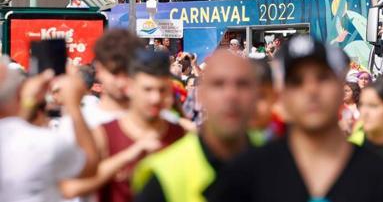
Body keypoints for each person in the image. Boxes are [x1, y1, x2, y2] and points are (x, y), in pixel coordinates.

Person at [216, 36, 383, 202]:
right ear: (281, 96)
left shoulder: (378, 175)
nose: (311, 91)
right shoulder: (246, 174)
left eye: (322, 78)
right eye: (297, 81)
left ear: (341, 88)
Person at [132, 49, 260, 202]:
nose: (230, 95)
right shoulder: (164, 173)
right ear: (201, 95)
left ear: (257, 94)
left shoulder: (281, 158)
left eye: (242, 84)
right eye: (218, 84)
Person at [61, 50, 186, 202]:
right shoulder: (104, 133)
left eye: (162, 90)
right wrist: (129, 155)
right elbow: (70, 188)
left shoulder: (182, 134)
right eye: (147, 90)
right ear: (131, 88)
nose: (155, 98)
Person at [0, 59, 99, 202]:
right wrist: (73, 103)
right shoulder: (40, 144)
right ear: (17, 94)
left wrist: (28, 101)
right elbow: (89, 165)